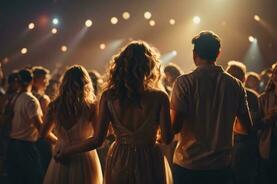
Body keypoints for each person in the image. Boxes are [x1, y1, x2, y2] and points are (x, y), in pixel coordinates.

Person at [55, 41, 173, 184]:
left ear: (121, 65)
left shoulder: (109, 96)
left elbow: (98, 140)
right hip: (149, 157)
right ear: (149, 66)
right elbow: (167, 138)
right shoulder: (160, 97)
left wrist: (67, 150)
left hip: (120, 157)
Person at [171, 31, 253, 184]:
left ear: (194, 53)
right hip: (220, 166)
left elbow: (175, 127)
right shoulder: (235, 84)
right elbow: (246, 128)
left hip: (188, 165)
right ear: (218, 53)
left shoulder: (184, 83)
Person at [42, 65, 103, 184]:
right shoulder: (91, 107)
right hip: (84, 156)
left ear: (64, 83)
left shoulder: (54, 105)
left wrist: (61, 143)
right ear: (86, 83)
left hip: (61, 154)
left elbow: (43, 134)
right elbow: (97, 139)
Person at [7, 68, 44, 184]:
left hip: (13, 144)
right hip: (26, 147)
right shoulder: (31, 100)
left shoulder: (15, 98)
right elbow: (40, 127)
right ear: (32, 81)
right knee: (33, 179)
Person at [226, 60, 259, 184]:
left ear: (243, 78)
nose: (233, 79)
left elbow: (250, 125)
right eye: (230, 75)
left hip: (242, 144)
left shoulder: (251, 96)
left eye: (236, 75)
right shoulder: (222, 94)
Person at [32, 66, 52, 171]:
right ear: (35, 80)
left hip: (29, 140)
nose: (46, 82)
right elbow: (47, 121)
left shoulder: (23, 95)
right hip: (41, 139)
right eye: (44, 79)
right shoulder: (43, 99)